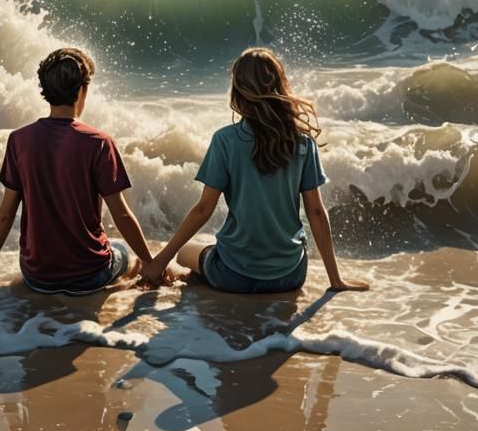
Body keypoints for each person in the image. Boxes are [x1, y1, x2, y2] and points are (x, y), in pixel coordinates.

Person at [141, 47, 369, 294]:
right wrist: (335, 280)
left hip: (233, 275)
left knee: (186, 253)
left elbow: (203, 209)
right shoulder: (302, 143)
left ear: (237, 90)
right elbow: (315, 211)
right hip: (290, 276)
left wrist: (158, 262)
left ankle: (195, 278)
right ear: (280, 86)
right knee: (211, 253)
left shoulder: (225, 140)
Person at [0, 47, 169, 295]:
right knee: (126, 254)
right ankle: (140, 280)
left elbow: (5, 216)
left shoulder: (19, 140)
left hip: (36, 276)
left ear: (45, 91)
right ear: (82, 90)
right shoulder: (99, 142)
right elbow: (122, 216)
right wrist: (150, 261)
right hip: (89, 275)